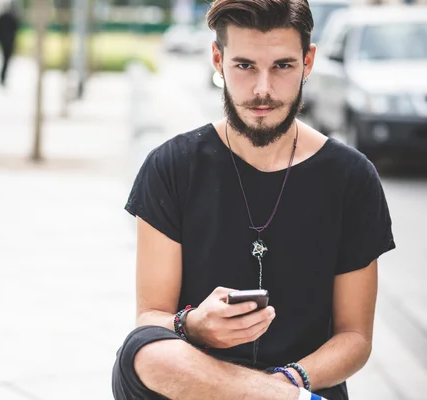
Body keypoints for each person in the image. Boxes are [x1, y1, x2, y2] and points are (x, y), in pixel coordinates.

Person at [112, 0, 396, 399]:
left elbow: (354, 338)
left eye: (282, 66)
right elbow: (152, 318)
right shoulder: (172, 166)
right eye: (245, 66)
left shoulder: (351, 177)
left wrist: (286, 383)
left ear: (308, 61)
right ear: (217, 58)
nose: (263, 89)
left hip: (301, 384)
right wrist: (194, 325)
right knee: (140, 353)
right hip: (196, 383)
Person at [0, 2, 20, 86]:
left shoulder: (3, 18)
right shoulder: (10, 18)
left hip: (5, 42)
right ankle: (3, 77)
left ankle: (3, 77)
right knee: (6, 60)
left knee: (5, 60)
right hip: (8, 42)